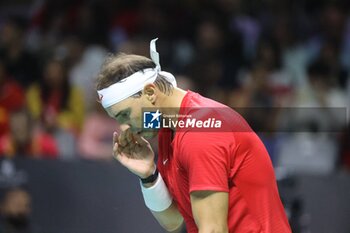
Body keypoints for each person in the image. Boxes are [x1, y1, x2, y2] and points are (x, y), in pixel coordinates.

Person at [95, 39, 291, 233]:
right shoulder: (169, 128)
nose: (124, 127)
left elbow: (213, 229)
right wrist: (149, 176)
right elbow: (174, 221)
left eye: (125, 114)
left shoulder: (201, 132)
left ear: (150, 92)